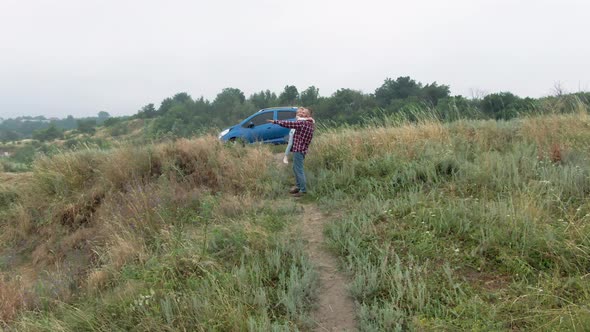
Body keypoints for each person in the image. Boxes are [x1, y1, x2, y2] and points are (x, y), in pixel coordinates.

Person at [268, 107, 315, 197]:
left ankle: (303, 189)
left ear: (308, 115)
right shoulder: (310, 123)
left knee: (299, 169)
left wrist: (275, 121)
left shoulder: (303, 123)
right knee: (295, 168)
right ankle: (298, 186)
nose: (301, 113)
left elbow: (289, 124)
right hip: (302, 149)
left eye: (304, 112)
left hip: (299, 149)